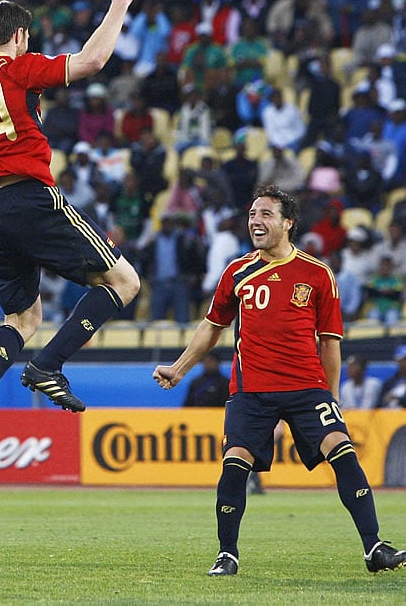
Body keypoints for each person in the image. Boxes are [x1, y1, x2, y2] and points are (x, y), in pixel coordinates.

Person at [0, 0, 140, 461]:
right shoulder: (20, 68)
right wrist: (119, 5)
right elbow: (93, 61)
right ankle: (48, 366)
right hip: (31, 196)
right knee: (125, 281)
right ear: (20, 36)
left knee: (22, 318)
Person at [153, 184, 406, 576]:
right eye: (253, 214)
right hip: (251, 390)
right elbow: (211, 326)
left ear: (288, 223)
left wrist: (332, 396)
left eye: (266, 214)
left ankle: (374, 547)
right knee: (235, 461)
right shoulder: (237, 271)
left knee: (341, 448)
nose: (256, 221)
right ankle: (227, 553)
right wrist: (179, 368)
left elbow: (330, 342)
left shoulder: (318, 274)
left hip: (307, 388)